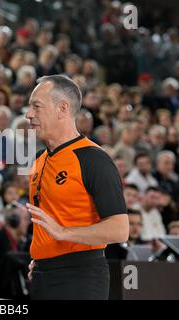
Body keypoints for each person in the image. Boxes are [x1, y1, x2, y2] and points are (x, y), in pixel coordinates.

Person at [24, 75, 128, 300]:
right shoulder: (39, 160)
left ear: (62, 108)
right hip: (42, 275)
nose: (28, 114)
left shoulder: (93, 159)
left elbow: (120, 229)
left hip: (81, 276)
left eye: (36, 107)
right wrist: (43, 259)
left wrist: (63, 233)